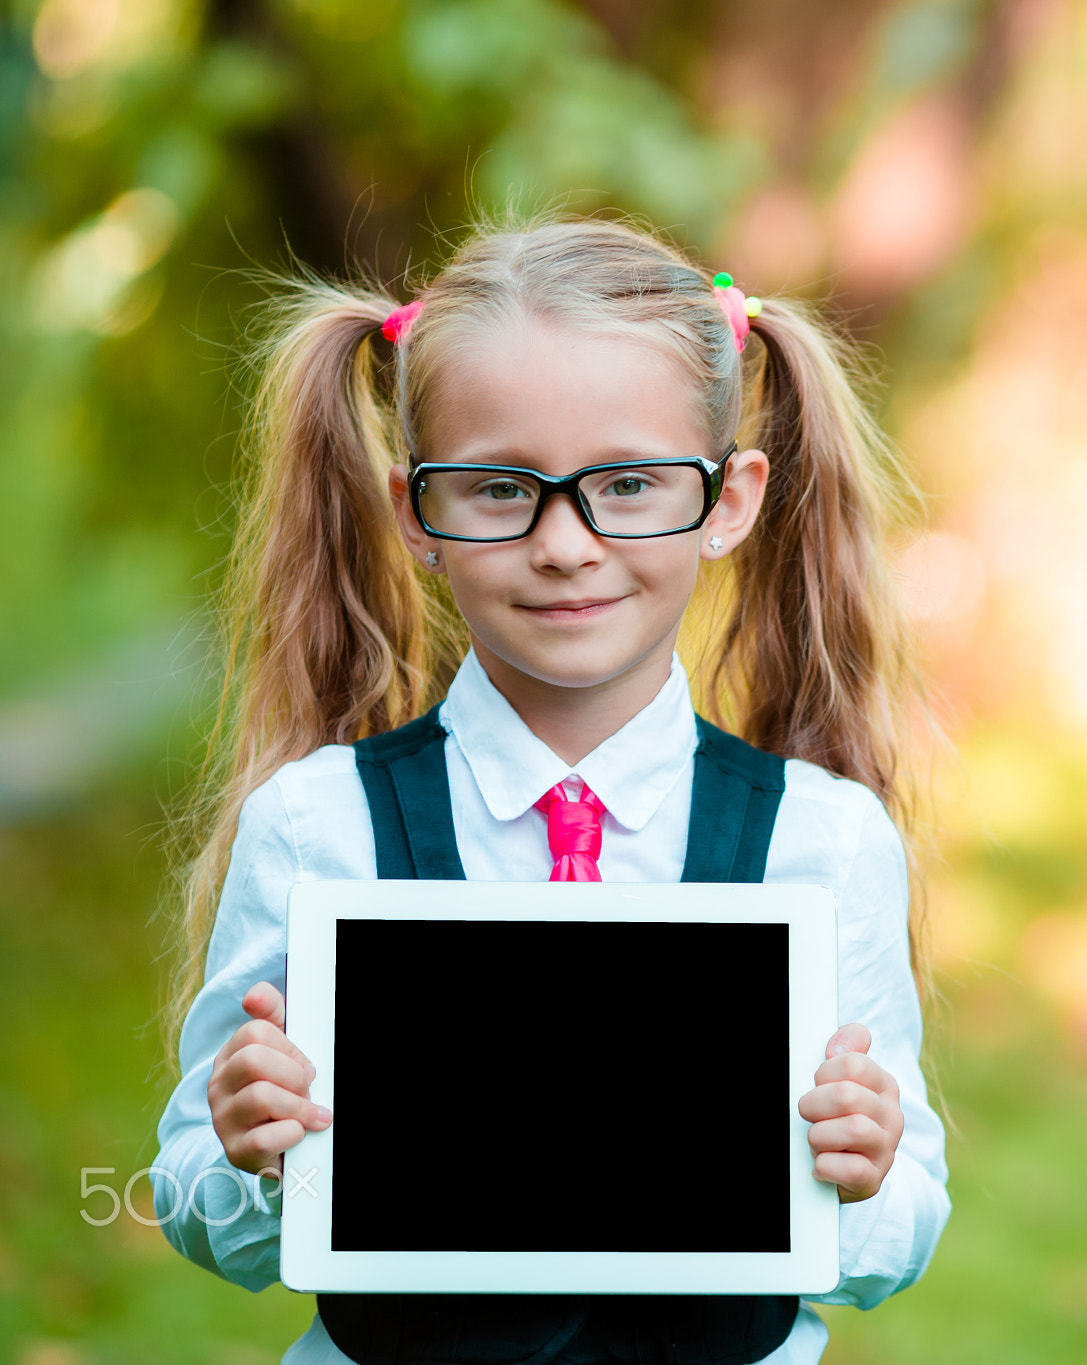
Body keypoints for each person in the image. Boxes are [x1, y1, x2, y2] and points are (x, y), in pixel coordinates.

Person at [152, 217, 948, 1364]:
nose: (565, 543)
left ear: (727, 500)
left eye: (627, 484)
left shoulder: (817, 842)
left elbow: (900, 1232)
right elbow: (192, 1206)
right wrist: (244, 1152)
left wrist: (864, 1176)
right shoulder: (320, 825)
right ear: (418, 509)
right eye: (496, 488)